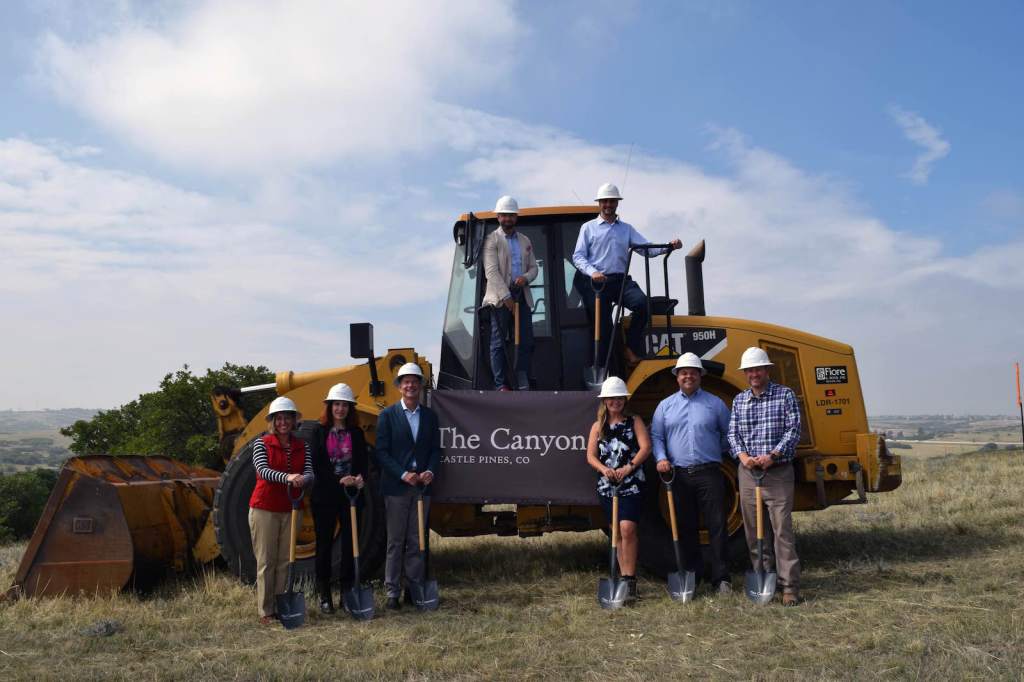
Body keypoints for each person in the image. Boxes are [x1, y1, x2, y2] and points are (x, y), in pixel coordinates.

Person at [571, 183, 682, 367]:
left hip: (621, 281)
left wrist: (669, 246)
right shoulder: (588, 228)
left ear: (617, 203)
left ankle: (629, 348)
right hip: (598, 284)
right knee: (603, 327)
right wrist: (593, 272)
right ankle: (602, 367)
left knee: (642, 305)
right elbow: (578, 256)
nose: (608, 204)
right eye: (605, 201)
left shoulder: (626, 229)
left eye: (612, 201)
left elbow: (646, 249)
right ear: (599, 204)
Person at [650, 352, 733, 594]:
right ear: (677, 377)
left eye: (693, 372)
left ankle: (721, 579)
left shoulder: (715, 403)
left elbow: (728, 433)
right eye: (684, 372)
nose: (688, 376)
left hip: (710, 473)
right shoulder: (665, 406)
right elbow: (657, 436)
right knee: (685, 527)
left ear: (700, 376)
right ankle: (692, 577)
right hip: (678, 475)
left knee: (717, 525)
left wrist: (716, 452)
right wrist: (661, 457)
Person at [728, 347, 803, 606]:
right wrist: (743, 457)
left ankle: (789, 586)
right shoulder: (740, 401)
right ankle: (764, 579)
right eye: (749, 370)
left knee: (782, 530)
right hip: (749, 474)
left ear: (767, 370)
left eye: (758, 369)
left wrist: (772, 455)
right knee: (754, 532)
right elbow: (733, 435)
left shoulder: (785, 395)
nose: (753, 374)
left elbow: (794, 430)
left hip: (778, 472)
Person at [373, 362, 442, 610]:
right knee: (395, 541)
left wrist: (430, 471)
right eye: (406, 381)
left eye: (414, 381)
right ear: (399, 387)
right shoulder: (388, 416)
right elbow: (381, 452)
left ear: (421, 386)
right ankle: (392, 592)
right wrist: (403, 474)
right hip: (397, 487)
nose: (410, 385)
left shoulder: (430, 416)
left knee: (416, 540)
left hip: (422, 488)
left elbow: (436, 449)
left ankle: (414, 588)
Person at [585, 376, 651, 600]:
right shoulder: (598, 427)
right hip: (607, 486)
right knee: (616, 533)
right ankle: (622, 577)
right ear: (605, 401)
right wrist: (604, 470)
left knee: (627, 529)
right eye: (611, 398)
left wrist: (629, 468)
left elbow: (645, 448)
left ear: (625, 400)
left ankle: (630, 581)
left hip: (631, 484)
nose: (615, 401)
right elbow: (590, 456)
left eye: (619, 398)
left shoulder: (634, 421)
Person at [248, 396, 313, 625]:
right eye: (279, 418)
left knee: (286, 559)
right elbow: (263, 470)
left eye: (288, 418)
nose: (283, 422)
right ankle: (266, 611)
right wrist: (288, 477)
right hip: (264, 508)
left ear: (294, 421)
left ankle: (281, 605)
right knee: (266, 560)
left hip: (291, 508)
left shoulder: (301, 445)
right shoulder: (261, 443)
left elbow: (309, 472)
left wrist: (304, 479)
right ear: (273, 421)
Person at [310, 383, 368, 614]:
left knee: (349, 545)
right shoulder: (319, 431)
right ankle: (324, 594)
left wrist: (359, 478)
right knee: (323, 544)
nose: (340, 409)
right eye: (337, 404)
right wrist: (339, 481)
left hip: (351, 496)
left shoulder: (356, 433)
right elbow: (317, 464)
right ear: (330, 406)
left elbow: (363, 462)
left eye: (344, 405)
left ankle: (347, 592)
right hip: (325, 496)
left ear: (349, 408)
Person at [482, 195, 539, 390]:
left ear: (516, 217)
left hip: (521, 295)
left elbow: (534, 268)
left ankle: (521, 377)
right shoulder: (492, 240)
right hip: (500, 299)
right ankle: (500, 384)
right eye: (504, 215)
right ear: (498, 217)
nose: (508, 219)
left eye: (511, 215)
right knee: (498, 342)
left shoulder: (525, 241)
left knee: (525, 340)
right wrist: (506, 297)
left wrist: (526, 278)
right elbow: (491, 271)